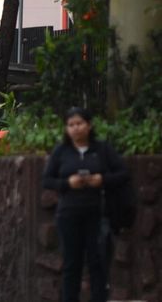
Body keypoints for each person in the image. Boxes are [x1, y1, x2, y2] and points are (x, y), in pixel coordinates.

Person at [43, 107, 128, 302]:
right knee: (71, 264)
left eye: (79, 123)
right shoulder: (61, 151)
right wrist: (67, 183)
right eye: (71, 125)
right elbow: (47, 180)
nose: (76, 128)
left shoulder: (102, 149)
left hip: (97, 214)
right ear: (66, 128)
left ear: (89, 125)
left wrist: (101, 179)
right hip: (68, 215)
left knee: (97, 262)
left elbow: (123, 174)